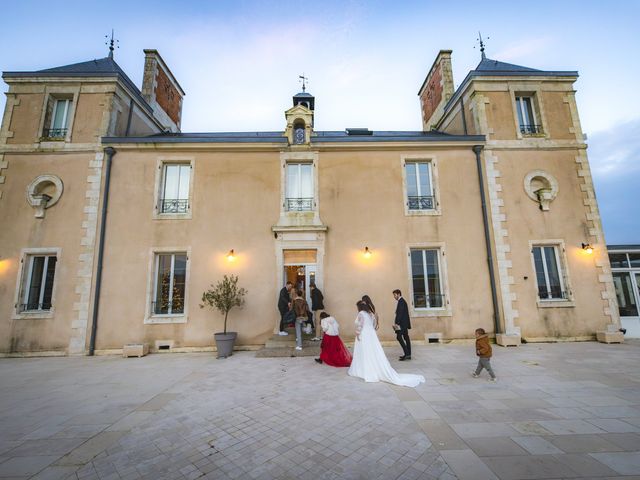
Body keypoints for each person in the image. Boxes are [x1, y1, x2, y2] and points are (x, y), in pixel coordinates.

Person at [348, 300, 425, 387]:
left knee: (365, 352)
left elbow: (360, 325)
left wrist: (358, 333)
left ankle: (364, 370)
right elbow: (373, 325)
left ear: (359, 307)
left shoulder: (361, 313)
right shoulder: (369, 314)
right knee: (372, 352)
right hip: (371, 335)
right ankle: (372, 369)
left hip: (364, 335)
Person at [392, 289, 411, 360]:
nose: (394, 296)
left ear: (399, 294)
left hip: (402, 324)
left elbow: (400, 314)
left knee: (399, 337)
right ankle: (408, 354)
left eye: (395, 295)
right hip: (404, 323)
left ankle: (407, 353)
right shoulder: (401, 301)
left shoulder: (401, 301)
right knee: (406, 337)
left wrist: (396, 323)